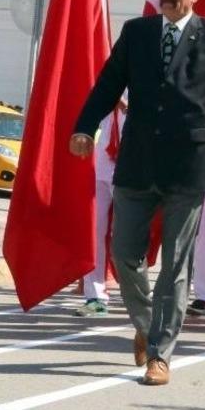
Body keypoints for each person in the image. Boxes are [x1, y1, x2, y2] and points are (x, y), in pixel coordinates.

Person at [71, 0, 205, 386]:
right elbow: (107, 84)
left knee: (175, 266)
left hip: (188, 166)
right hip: (137, 161)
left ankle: (160, 354)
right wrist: (85, 126)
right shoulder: (137, 33)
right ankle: (148, 321)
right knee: (123, 254)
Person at [75, 96, 127, 317]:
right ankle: (94, 295)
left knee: (126, 235)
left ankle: (134, 290)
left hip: (130, 164)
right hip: (103, 163)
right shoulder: (110, 79)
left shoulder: (144, 74)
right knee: (95, 231)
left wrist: (125, 105)